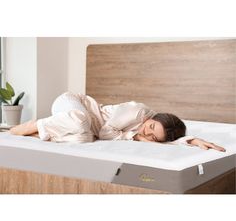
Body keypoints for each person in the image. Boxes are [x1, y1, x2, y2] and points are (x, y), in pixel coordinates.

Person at [10, 92, 226, 152]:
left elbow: (161, 139)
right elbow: (105, 133)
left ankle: (37, 130)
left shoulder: (153, 132)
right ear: (152, 117)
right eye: (150, 126)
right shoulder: (137, 111)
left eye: (153, 137)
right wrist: (137, 136)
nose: (146, 132)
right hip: (74, 105)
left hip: (85, 127)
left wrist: (192, 140)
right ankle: (32, 124)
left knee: (82, 139)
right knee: (82, 123)